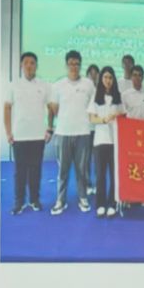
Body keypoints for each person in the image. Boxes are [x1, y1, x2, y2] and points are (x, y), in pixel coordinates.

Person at [47, 50, 96, 215]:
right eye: (71, 63)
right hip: (63, 133)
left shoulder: (88, 84)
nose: (74, 66)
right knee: (63, 170)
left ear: (80, 65)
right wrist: (65, 119)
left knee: (82, 169)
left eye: (77, 64)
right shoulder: (58, 85)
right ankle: (60, 201)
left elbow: (93, 106)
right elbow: (54, 108)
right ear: (66, 65)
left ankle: (83, 197)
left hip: (83, 132)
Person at [2, 51, 51, 215]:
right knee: (20, 171)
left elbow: (50, 108)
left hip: (38, 136)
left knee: (36, 170)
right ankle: (19, 202)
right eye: (26, 63)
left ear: (36, 66)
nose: (29, 66)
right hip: (20, 136)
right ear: (21, 66)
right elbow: (7, 108)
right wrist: (8, 132)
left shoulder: (44, 85)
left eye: (32, 63)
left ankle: (34, 200)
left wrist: (49, 128)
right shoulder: (14, 85)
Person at [90, 67, 123, 217]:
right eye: (105, 77)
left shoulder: (118, 97)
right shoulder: (96, 96)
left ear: (113, 79)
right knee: (100, 175)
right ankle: (100, 204)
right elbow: (92, 118)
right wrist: (104, 120)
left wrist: (117, 116)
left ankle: (112, 203)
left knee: (114, 175)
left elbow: (123, 115)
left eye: (110, 77)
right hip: (100, 141)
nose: (108, 80)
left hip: (115, 141)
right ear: (101, 79)